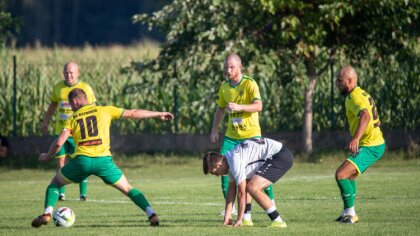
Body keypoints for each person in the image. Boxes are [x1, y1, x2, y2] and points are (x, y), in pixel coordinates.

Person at [31, 88, 174, 228]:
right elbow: (133, 113)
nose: (71, 108)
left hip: (82, 161)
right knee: (128, 188)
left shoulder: (72, 118)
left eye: (70, 105)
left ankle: (47, 213)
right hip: (103, 161)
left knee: (55, 183)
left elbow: (59, 142)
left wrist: (47, 156)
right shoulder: (105, 110)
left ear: (75, 102)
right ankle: (152, 214)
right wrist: (158, 113)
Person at [210, 53, 275, 223]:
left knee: (255, 176)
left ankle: (269, 204)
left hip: (251, 136)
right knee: (223, 172)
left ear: (240, 67)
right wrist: (214, 130)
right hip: (231, 137)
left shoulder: (250, 83)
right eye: (226, 67)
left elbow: (259, 106)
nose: (228, 69)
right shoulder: (224, 87)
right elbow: (220, 110)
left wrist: (239, 106)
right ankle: (231, 213)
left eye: (231, 67)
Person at [203, 137, 293, 227]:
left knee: (252, 187)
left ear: (219, 165)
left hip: (280, 156)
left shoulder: (234, 161)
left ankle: (278, 221)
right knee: (247, 181)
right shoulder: (229, 158)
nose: (217, 175)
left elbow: (241, 193)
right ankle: (246, 219)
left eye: (214, 173)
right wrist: (228, 215)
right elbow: (232, 189)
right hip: (277, 155)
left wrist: (238, 219)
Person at [334, 66, 386, 224]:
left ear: (349, 81)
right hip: (371, 143)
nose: (337, 84)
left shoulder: (355, 97)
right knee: (349, 176)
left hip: (371, 146)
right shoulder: (359, 94)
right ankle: (346, 213)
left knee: (341, 174)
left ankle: (351, 213)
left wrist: (356, 138)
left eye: (339, 81)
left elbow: (365, 115)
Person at [41, 62, 96, 201]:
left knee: (81, 161)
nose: (69, 75)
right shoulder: (58, 87)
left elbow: (93, 108)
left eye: (71, 72)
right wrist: (46, 121)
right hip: (62, 131)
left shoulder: (85, 88)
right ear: (63, 73)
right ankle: (61, 193)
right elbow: (53, 104)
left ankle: (83, 194)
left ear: (78, 73)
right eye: (66, 72)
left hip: (79, 133)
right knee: (61, 162)